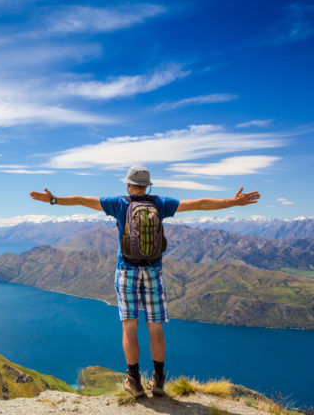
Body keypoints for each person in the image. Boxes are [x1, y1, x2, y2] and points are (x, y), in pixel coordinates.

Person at [30, 165, 260, 398]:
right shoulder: (160, 203)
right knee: (156, 327)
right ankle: (159, 380)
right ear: (148, 185)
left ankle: (134, 381)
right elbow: (199, 203)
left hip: (126, 271)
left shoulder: (119, 204)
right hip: (153, 272)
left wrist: (54, 200)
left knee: (130, 326)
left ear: (128, 184)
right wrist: (232, 203)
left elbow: (82, 200)